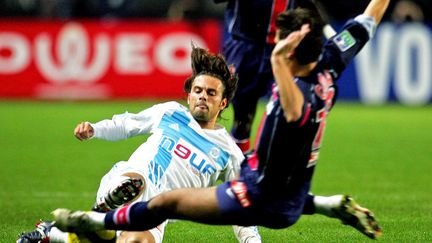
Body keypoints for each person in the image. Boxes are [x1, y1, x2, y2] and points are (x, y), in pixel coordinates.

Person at [52, 0, 389, 240]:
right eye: (197, 91)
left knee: (165, 203)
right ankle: (331, 204)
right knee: (147, 215)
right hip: (291, 199)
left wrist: (276, 61)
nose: (201, 97)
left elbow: (293, 110)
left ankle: (87, 224)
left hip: (256, 194)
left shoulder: (295, 93)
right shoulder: (332, 60)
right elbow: (369, 19)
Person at [17, 45, 262, 243]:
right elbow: (127, 124)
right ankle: (105, 212)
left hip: (155, 212)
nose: (202, 96)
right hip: (126, 178)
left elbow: (239, 204)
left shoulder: (229, 152)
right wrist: (95, 129)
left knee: (135, 242)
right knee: (135, 183)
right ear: (188, 96)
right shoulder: (170, 112)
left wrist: (252, 240)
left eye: (211, 93)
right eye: (198, 90)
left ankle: (64, 232)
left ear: (223, 103)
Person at [214, 0, 336, 152]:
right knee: (243, 117)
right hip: (245, 47)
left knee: (290, 111)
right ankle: (237, 167)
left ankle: (279, 164)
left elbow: (309, 3)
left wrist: (327, 29)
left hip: (284, 49)